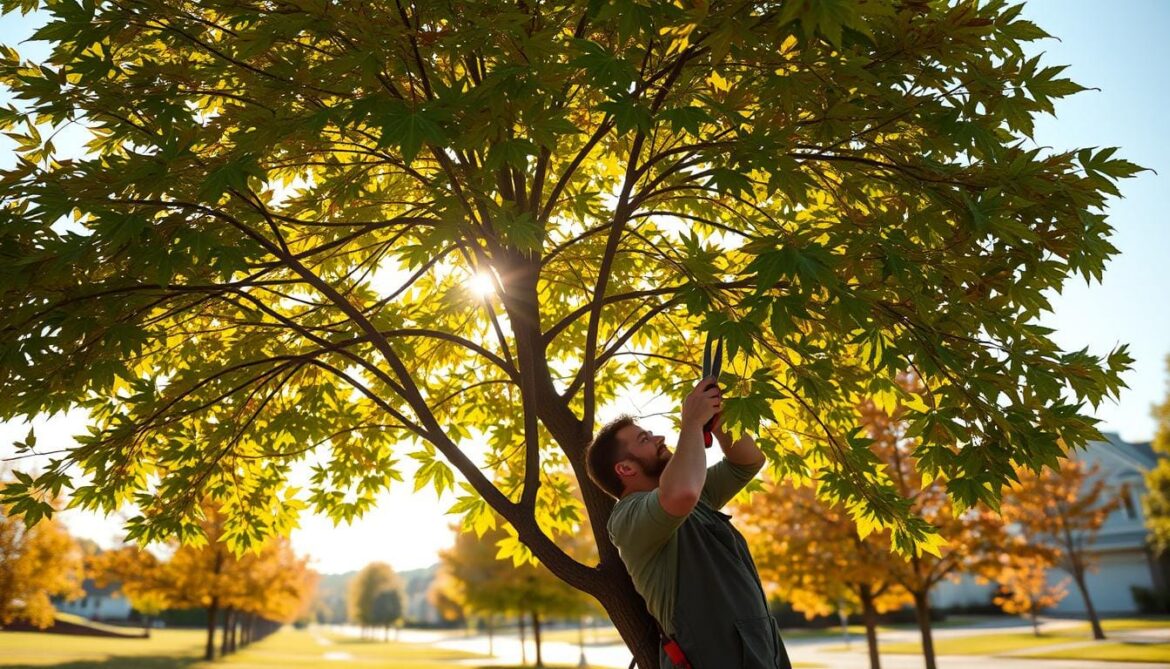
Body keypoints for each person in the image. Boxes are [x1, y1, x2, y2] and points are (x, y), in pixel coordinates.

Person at [586, 378, 792, 669]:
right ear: (625, 469)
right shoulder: (626, 519)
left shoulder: (696, 496)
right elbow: (681, 493)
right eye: (645, 440)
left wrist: (717, 419)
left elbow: (747, 461)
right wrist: (692, 422)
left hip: (761, 654)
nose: (660, 438)